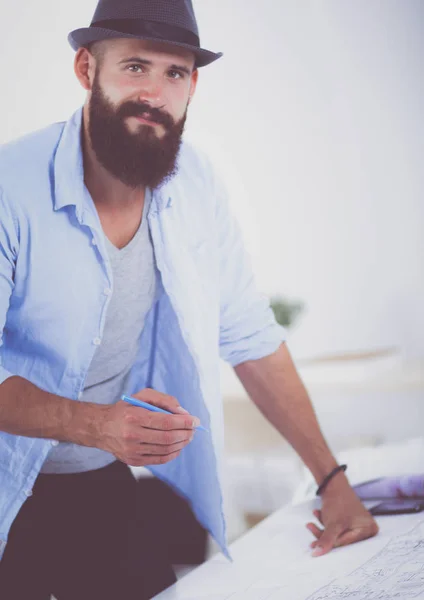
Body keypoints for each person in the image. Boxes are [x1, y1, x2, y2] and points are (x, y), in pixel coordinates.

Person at [0, 0, 379, 598]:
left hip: (97, 479)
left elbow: (249, 334)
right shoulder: (8, 188)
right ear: (85, 69)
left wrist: (332, 483)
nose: (154, 91)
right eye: (135, 66)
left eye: (174, 73)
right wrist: (99, 424)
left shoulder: (195, 184)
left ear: (193, 86)